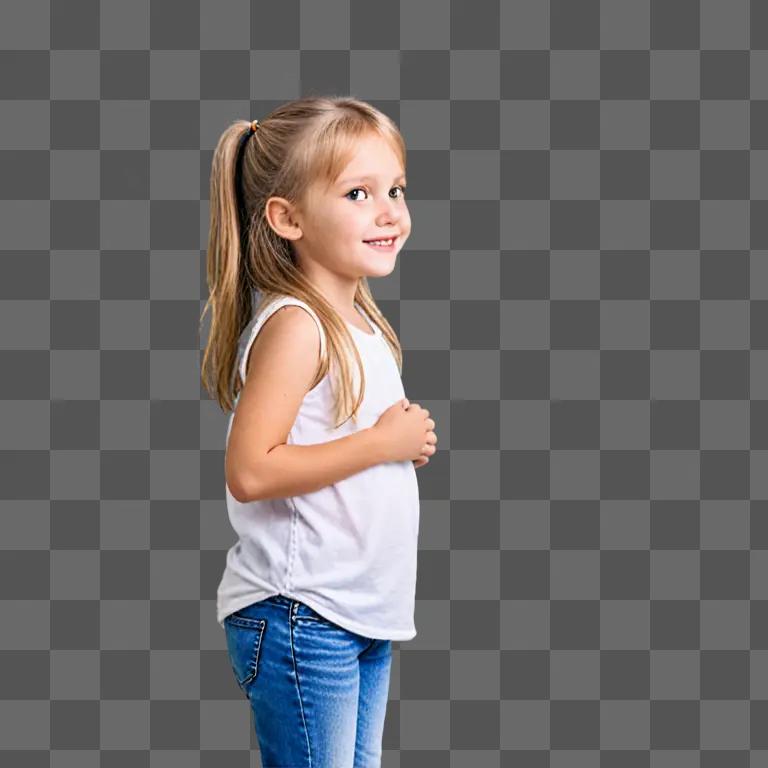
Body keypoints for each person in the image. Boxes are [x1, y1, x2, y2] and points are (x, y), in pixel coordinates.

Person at [199, 95, 438, 767]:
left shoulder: (359, 323)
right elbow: (250, 472)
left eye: (395, 189)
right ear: (287, 217)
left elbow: (332, 450)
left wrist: (389, 453)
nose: (390, 211)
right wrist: (378, 446)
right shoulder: (296, 326)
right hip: (303, 613)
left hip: (357, 611)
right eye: (358, 193)